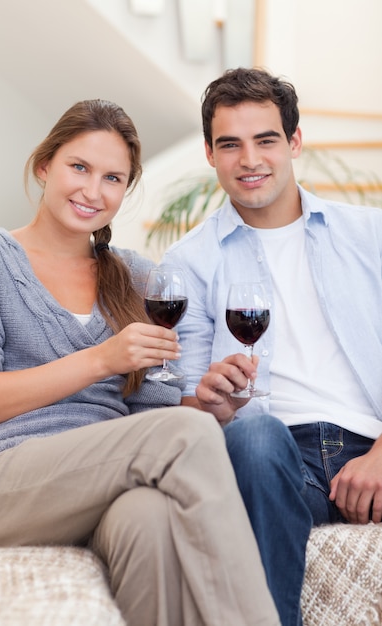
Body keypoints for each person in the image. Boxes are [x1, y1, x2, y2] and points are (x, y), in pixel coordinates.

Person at [0, 98, 281, 626]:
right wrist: (100, 359)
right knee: (181, 433)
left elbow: (156, 418)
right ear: (45, 166)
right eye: (79, 168)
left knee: (149, 516)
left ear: (125, 191)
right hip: (2, 482)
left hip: (106, 482)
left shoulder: (135, 276)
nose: (93, 191)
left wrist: (213, 407)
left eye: (113, 178)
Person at [162, 66, 382, 626]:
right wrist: (213, 403)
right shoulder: (188, 263)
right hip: (278, 459)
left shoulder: (370, 236)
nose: (250, 160)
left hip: (371, 441)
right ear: (211, 155)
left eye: (265, 140)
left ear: (294, 142)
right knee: (256, 434)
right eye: (230, 145)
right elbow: (190, 410)